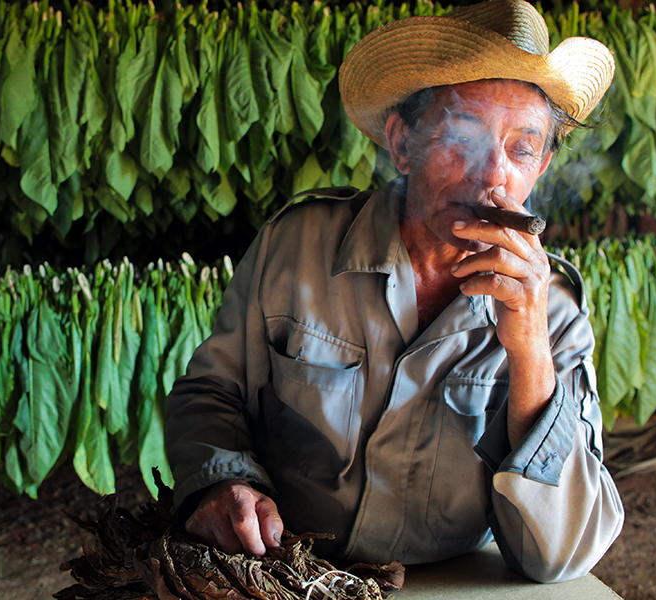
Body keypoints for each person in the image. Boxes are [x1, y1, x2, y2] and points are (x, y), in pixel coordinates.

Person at [165, 0, 624, 584]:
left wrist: (531, 353)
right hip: (285, 575)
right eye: (464, 136)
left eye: (521, 148)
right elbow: (210, 392)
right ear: (403, 142)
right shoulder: (299, 245)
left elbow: (559, 555)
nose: (492, 176)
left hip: (451, 585)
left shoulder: (551, 307)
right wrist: (224, 480)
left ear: (543, 166)